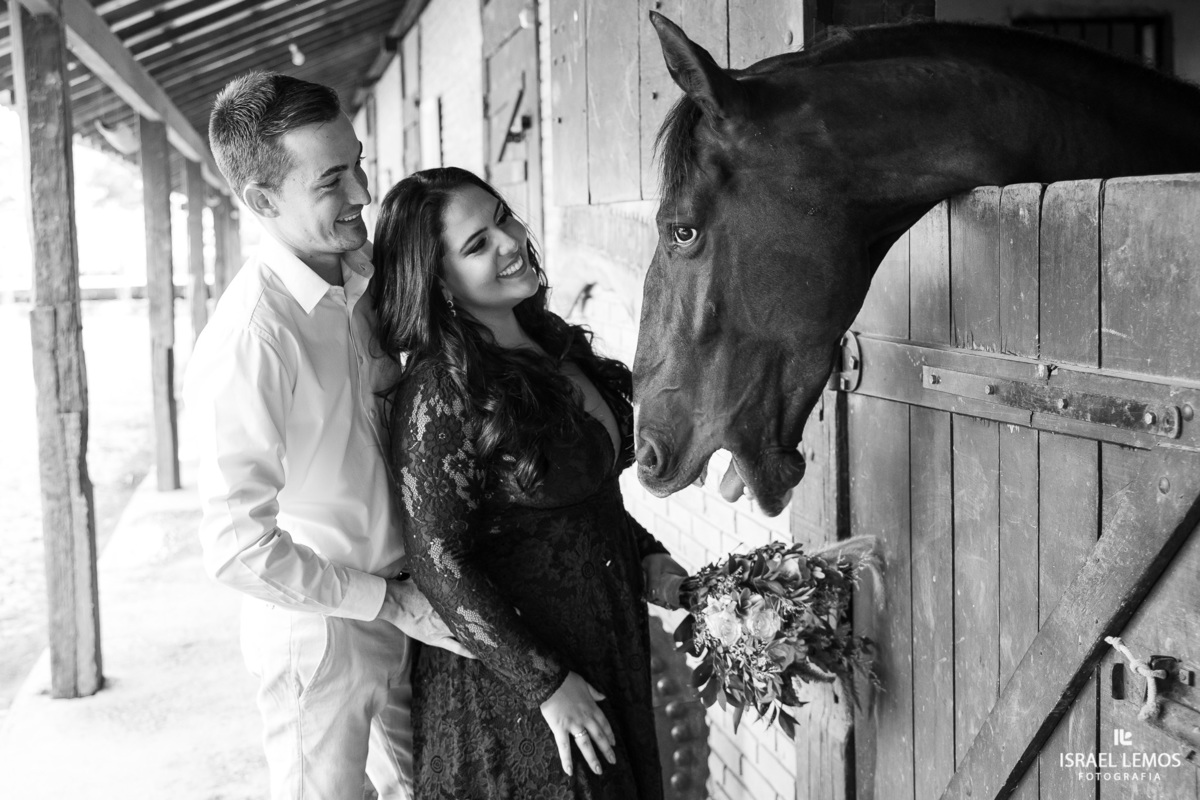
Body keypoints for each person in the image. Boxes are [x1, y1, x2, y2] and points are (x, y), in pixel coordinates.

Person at [185, 72, 467, 800]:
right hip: (320, 628)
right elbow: (236, 547)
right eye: (332, 180)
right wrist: (386, 603)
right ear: (262, 202)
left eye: (359, 163)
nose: (364, 192)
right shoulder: (252, 337)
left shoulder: (366, 275)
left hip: (410, 597)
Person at [371, 166, 689, 799]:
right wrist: (545, 684)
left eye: (503, 218)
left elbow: (575, 509)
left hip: (606, 647)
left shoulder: (553, 345)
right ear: (439, 282)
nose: (510, 240)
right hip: (518, 693)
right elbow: (437, 559)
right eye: (477, 244)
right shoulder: (441, 388)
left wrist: (648, 554)